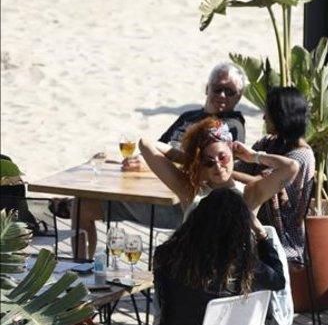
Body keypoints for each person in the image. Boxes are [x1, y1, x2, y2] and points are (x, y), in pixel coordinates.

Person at [71, 63, 250, 258]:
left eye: (230, 91)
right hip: (150, 189)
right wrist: (139, 161)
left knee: (83, 206)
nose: (222, 95)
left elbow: (214, 169)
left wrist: (156, 164)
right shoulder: (189, 116)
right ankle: (82, 271)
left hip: (180, 202)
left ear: (238, 97)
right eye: (218, 88)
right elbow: (157, 145)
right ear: (207, 88)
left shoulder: (230, 127)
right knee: (81, 206)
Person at [138, 187, 286, 325]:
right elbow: (278, 280)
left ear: (196, 219)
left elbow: (162, 303)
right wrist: (262, 235)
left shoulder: (166, 254)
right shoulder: (240, 265)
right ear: (240, 227)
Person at [139, 115, 298, 218]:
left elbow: (292, 167)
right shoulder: (190, 190)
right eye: (209, 161)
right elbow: (145, 144)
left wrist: (254, 156)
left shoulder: (250, 193)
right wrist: (191, 160)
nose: (217, 165)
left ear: (232, 153)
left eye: (223, 157)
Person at [235, 87, 316, 263]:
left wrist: (218, 171)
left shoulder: (302, 156)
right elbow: (240, 168)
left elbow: (262, 183)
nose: (264, 118)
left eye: (268, 113)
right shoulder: (270, 143)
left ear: (282, 116)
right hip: (254, 221)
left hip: (280, 236)